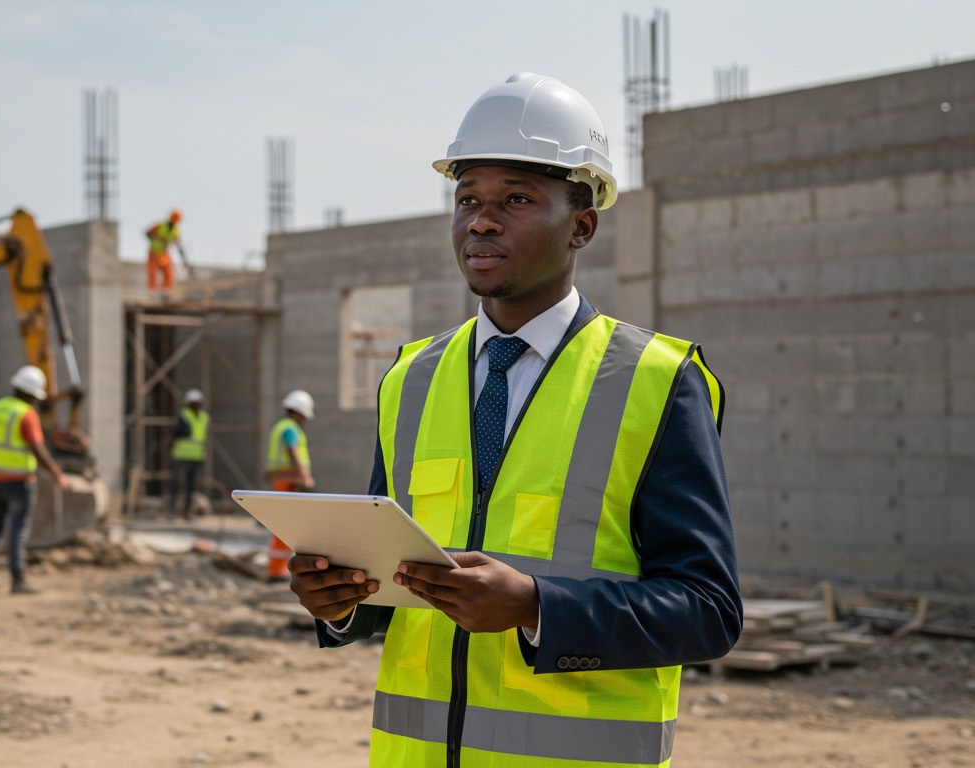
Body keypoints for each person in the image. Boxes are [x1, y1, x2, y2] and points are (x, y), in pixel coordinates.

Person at [287, 73, 742, 767]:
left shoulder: (657, 382)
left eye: (517, 200)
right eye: (467, 199)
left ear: (581, 225)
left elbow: (707, 610)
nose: (481, 220)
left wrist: (536, 607)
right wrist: (341, 601)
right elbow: (389, 588)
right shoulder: (409, 380)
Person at [0, 365, 71, 595]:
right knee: (19, 529)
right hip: (19, 480)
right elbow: (38, 450)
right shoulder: (26, 414)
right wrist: (57, 474)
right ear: (32, 394)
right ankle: (18, 580)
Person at [264, 389, 315, 580]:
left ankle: (279, 568)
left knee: (284, 524)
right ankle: (278, 570)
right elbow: (293, 450)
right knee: (285, 525)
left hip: (283, 480)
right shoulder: (290, 429)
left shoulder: (281, 426)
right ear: (298, 412)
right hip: (288, 481)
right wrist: (305, 476)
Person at [169, 388, 208, 521]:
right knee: (176, 484)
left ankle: (187, 513)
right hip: (181, 456)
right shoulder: (183, 415)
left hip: (197, 457)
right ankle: (171, 513)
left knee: (191, 487)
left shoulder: (204, 417)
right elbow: (175, 433)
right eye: (194, 403)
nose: (196, 406)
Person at [145, 209, 184, 291]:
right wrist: (156, 239)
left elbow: (177, 241)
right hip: (154, 251)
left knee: (168, 271)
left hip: (164, 252)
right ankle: (152, 290)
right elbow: (147, 233)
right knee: (152, 270)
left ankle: (167, 290)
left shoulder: (175, 230)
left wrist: (176, 242)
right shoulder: (160, 225)